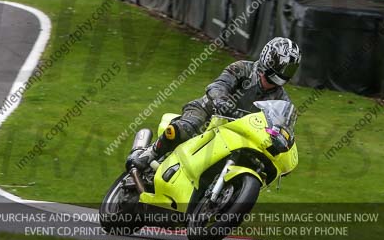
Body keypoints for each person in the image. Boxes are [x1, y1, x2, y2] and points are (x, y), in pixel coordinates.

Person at [127, 37, 302, 171]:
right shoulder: (242, 68)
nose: (282, 73)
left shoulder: (281, 100)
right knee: (185, 128)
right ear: (268, 58)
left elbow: (283, 126)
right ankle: (150, 152)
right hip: (209, 112)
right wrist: (221, 100)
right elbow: (218, 85)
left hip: (238, 134)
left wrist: (282, 139)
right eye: (281, 66)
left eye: (289, 69)